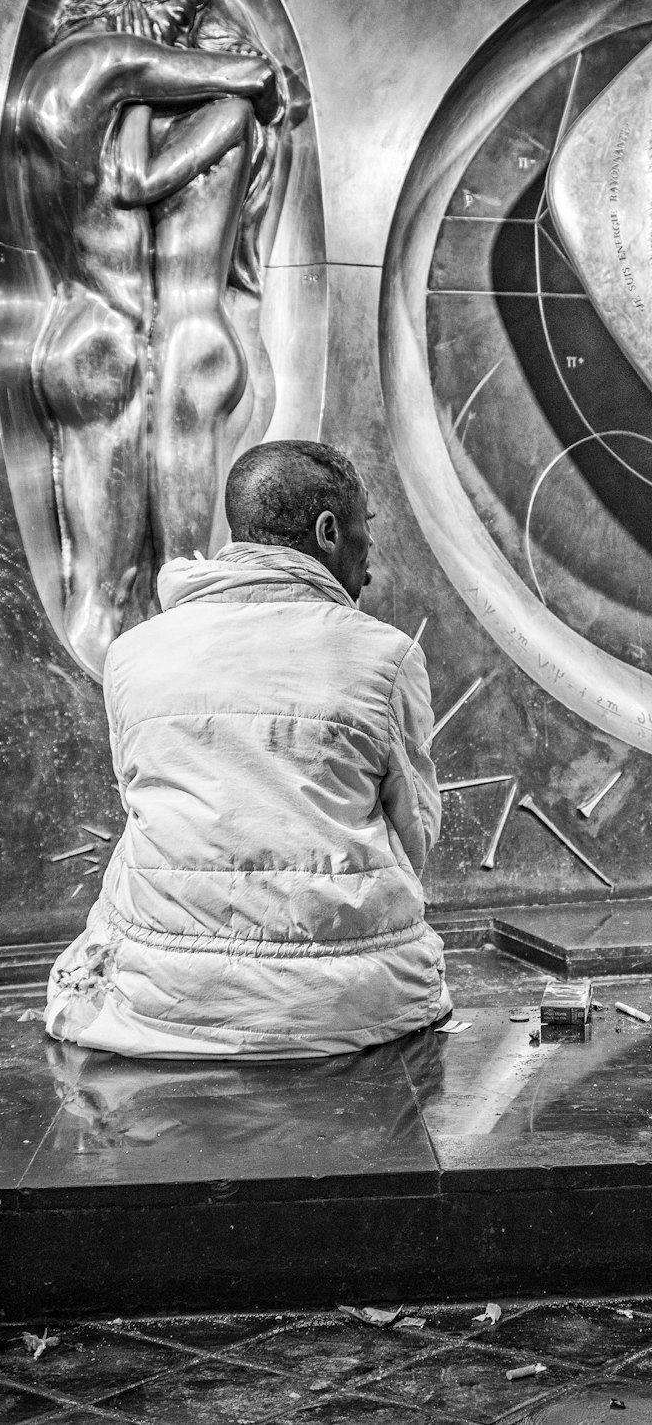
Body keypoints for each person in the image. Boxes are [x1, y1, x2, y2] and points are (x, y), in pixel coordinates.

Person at [45, 439, 452, 1058]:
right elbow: (415, 835)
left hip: (162, 999)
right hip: (346, 1006)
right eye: (364, 532)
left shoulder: (133, 655)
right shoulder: (386, 657)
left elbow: (138, 801)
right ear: (327, 531)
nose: (368, 565)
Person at [16, 0, 285, 677]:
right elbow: (249, 79)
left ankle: (108, 725)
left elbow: (130, 172)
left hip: (90, 330)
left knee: (102, 603)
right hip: (172, 339)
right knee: (180, 593)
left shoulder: (66, 94)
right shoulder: (103, 68)